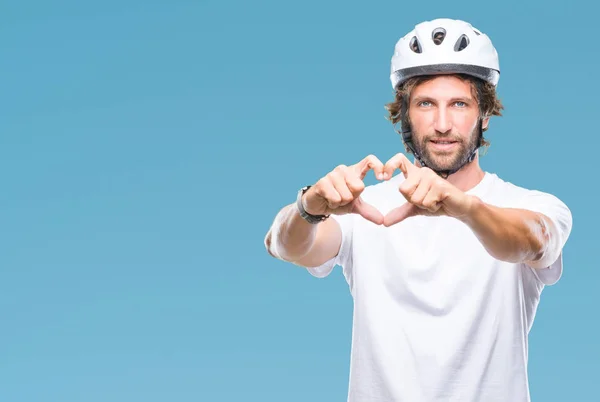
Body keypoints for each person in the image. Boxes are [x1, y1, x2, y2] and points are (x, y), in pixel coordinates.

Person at [263, 18, 572, 402]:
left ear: (485, 115)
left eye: (459, 104)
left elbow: (534, 241)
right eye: (426, 104)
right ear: (405, 116)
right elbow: (285, 244)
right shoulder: (366, 206)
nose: (442, 124)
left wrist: (463, 208)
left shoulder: (530, 204)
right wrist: (308, 206)